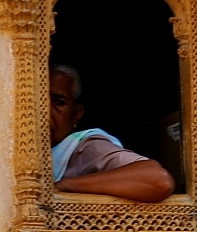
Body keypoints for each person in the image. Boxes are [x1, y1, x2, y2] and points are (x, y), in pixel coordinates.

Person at [49, 64, 175, 202]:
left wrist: (66, 185)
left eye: (59, 102)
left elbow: (157, 180)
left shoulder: (85, 148)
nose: (45, 110)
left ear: (77, 114)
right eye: (37, 100)